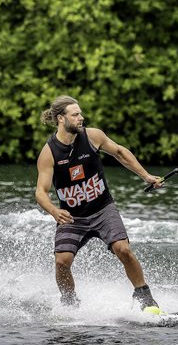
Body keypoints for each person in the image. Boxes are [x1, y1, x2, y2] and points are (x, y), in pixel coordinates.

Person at [35, 95, 163, 311]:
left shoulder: (93, 136)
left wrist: (146, 176)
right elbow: (40, 192)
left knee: (123, 249)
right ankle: (70, 303)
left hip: (103, 209)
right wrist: (54, 212)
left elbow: (121, 153)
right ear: (60, 119)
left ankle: (145, 298)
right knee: (61, 262)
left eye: (80, 113)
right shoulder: (49, 153)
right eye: (75, 115)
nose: (81, 118)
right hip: (72, 216)